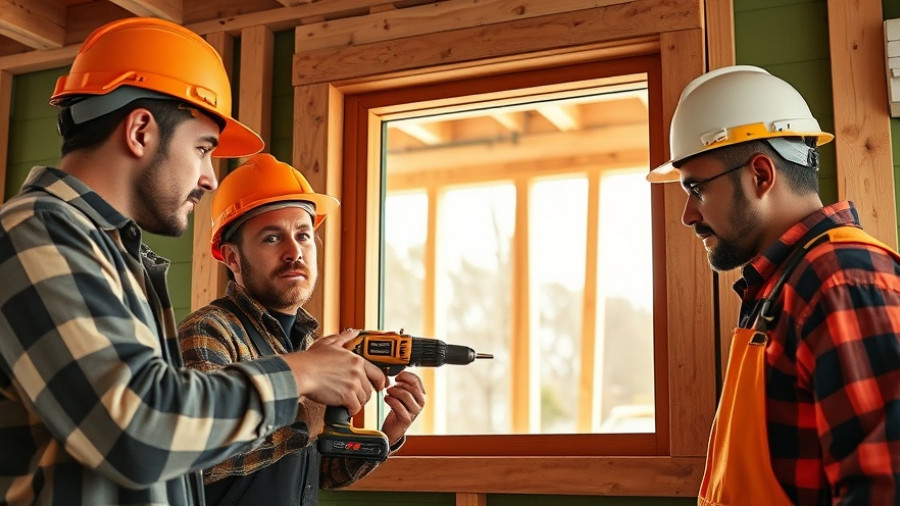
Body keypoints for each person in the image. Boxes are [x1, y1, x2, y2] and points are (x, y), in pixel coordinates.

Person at [0, 17, 387, 505]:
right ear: (141, 131)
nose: (208, 178)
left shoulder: (111, 254)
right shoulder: (38, 231)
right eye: (203, 149)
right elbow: (138, 429)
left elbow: (174, 451)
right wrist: (300, 374)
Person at [648, 64, 900, 505]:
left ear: (761, 175)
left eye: (697, 189)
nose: (688, 214)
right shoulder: (783, 285)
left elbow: (887, 486)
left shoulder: (839, 277)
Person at [177, 153, 426, 505]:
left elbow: (319, 470)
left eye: (304, 235)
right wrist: (303, 416)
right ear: (232, 258)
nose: (294, 251)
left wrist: (391, 431)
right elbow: (197, 456)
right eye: (272, 239)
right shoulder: (210, 332)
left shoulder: (308, 342)